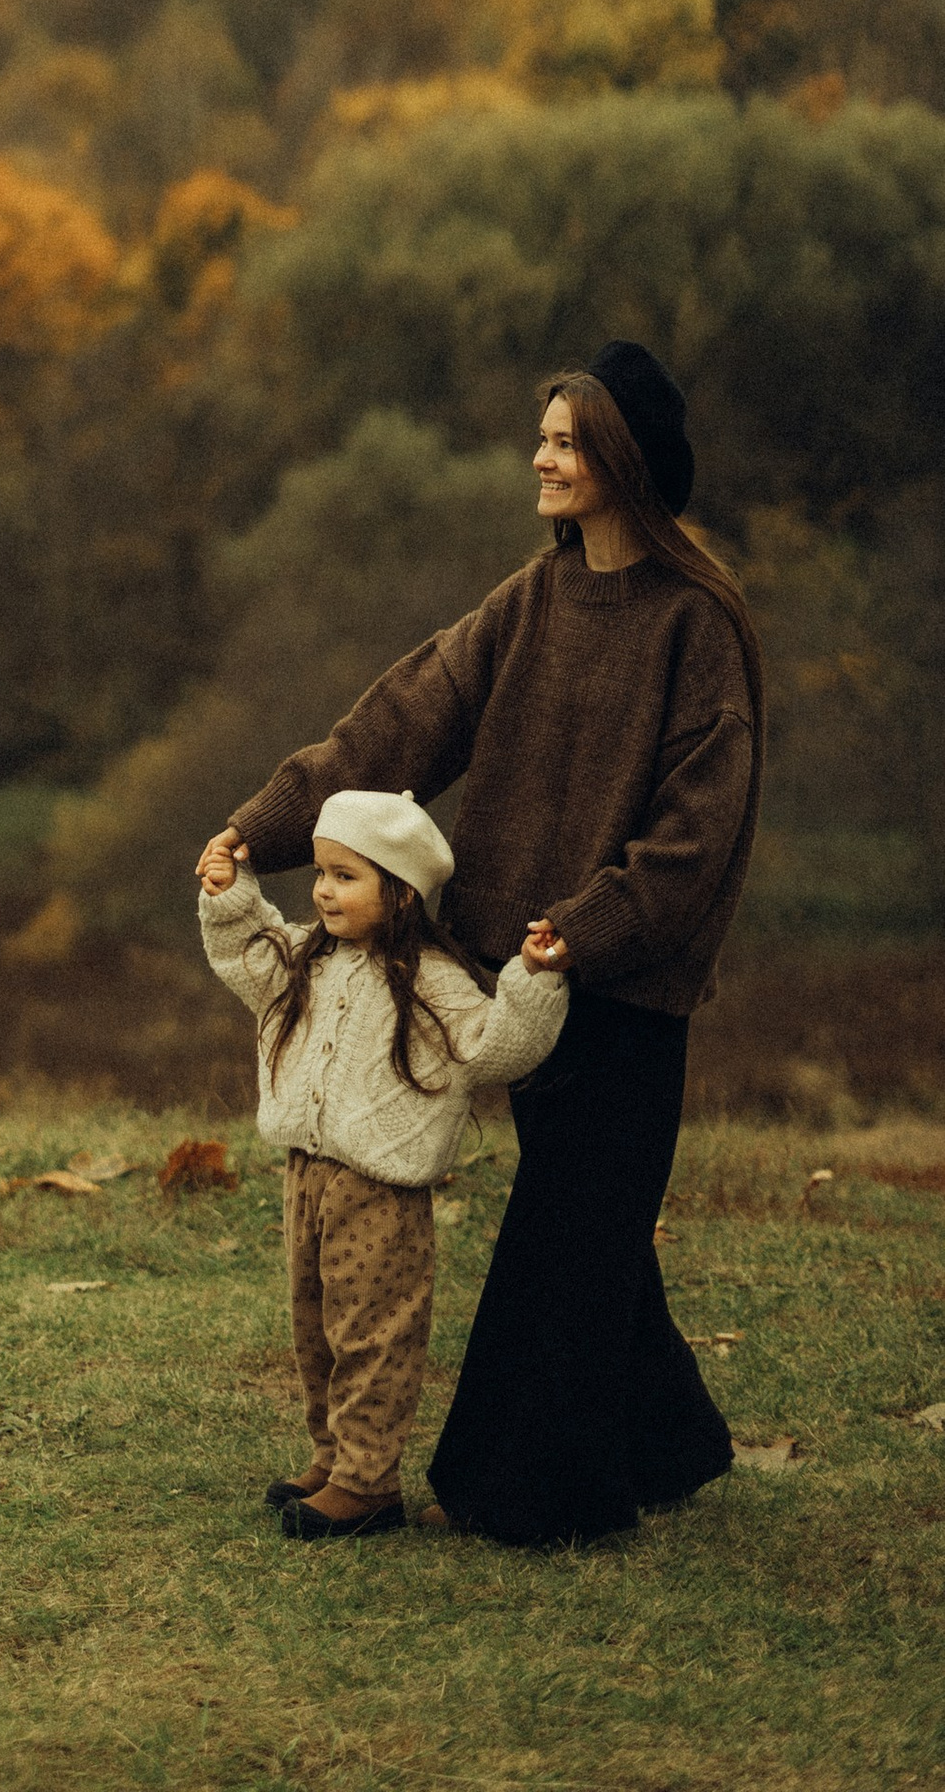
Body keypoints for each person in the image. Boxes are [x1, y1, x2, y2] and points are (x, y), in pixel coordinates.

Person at [202, 340, 762, 1547]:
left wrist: (588, 928)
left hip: (621, 984)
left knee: (572, 1226)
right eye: (543, 438)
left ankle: (524, 1494)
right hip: (506, 972)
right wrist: (263, 827)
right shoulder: (531, 601)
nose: (540, 459)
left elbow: (695, 836)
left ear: (623, 460)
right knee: (593, 1224)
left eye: (564, 443)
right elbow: (397, 726)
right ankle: (666, 1440)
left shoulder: (698, 626)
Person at [198, 789, 569, 1542]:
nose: (323, 891)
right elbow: (247, 953)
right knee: (315, 1328)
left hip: (380, 1190)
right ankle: (332, 1459)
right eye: (321, 873)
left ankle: (368, 1483)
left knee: (371, 1335)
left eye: (346, 876)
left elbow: (496, 1046)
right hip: (307, 1176)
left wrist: (533, 979)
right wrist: (230, 895)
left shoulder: (433, 981)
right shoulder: (308, 960)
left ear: (400, 892)